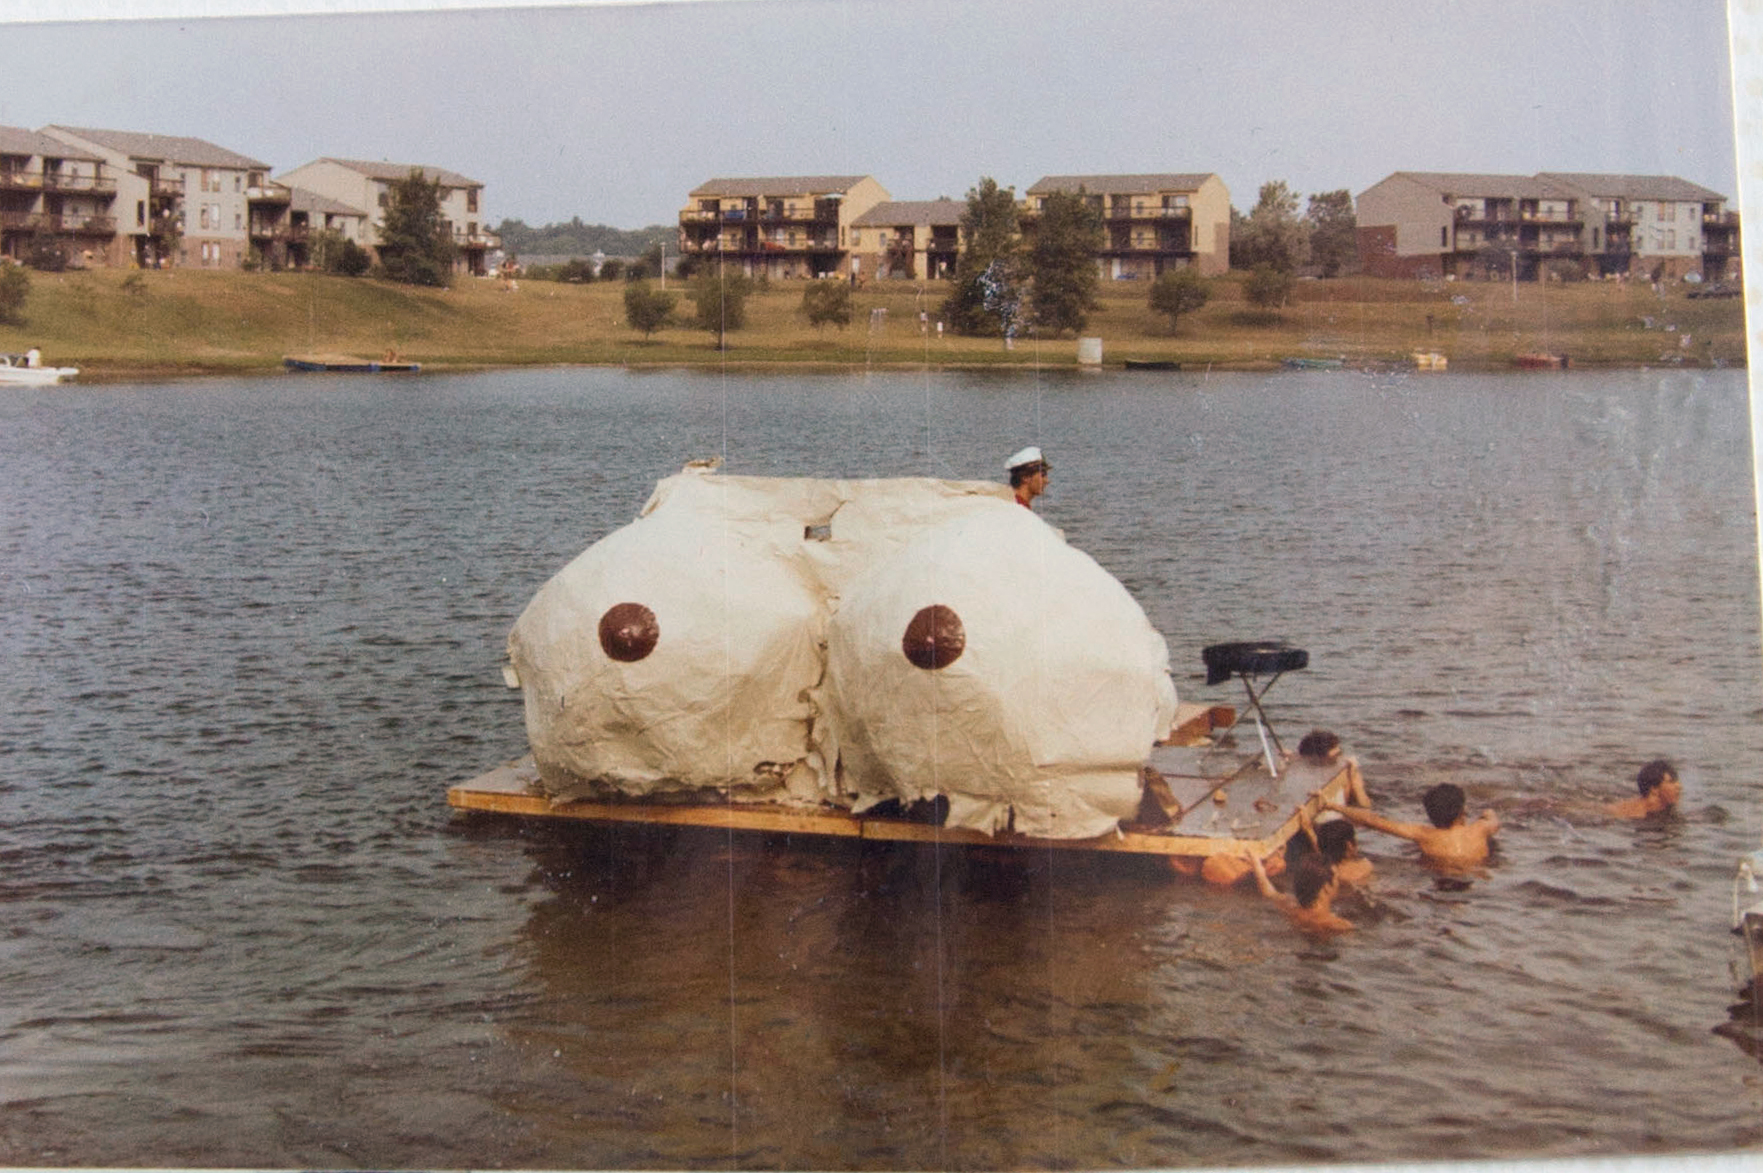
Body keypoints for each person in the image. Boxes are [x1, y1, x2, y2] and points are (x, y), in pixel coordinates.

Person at [1324, 782, 1498, 868]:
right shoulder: (1480, 828)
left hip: (1439, 873)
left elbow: (1372, 821)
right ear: (1462, 810)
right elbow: (1495, 822)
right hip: (1475, 872)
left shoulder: (1424, 834)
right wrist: (1488, 813)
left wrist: (1334, 806)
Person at [1247, 849, 1353, 936]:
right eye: (1336, 879)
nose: (1338, 883)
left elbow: (1269, 892)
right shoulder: (1340, 925)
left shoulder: (1290, 906)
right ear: (1326, 887)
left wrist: (1256, 864)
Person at [1294, 727, 1372, 808]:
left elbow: (1365, 805)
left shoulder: (1348, 771)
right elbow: (1299, 757)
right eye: (1335, 755)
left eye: (1339, 753)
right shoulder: (1305, 762)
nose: (1339, 757)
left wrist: (1353, 778)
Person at [1605, 759, 1682, 819]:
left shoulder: (1667, 807)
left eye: (1677, 781)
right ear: (1654, 789)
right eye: (1671, 782)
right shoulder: (1636, 815)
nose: (1679, 786)